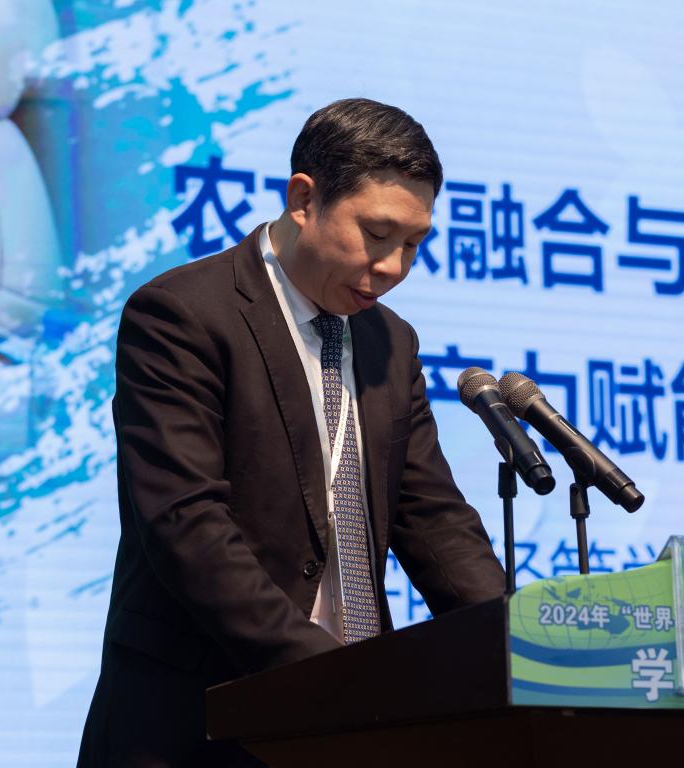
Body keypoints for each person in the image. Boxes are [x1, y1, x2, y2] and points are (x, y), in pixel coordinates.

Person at [78, 98, 505, 766]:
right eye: (378, 234)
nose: (394, 266)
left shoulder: (391, 341)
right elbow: (187, 525)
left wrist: (523, 645)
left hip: (351, 725)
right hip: (199, 720)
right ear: (304, 199)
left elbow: (434, 520)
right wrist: (324, 674)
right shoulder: (183, 315)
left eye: (414, 244)